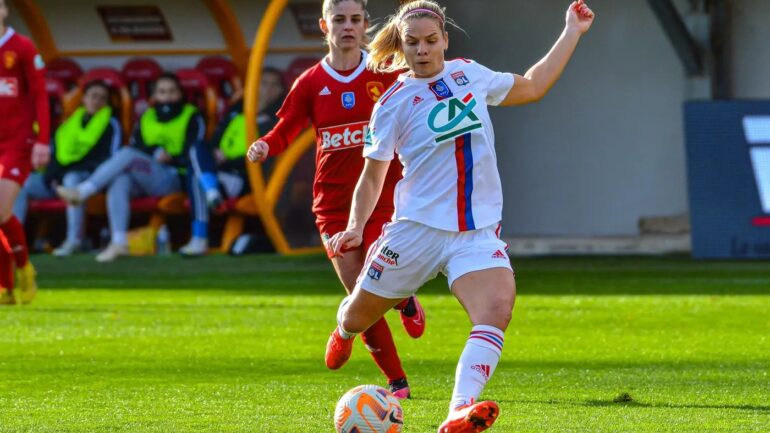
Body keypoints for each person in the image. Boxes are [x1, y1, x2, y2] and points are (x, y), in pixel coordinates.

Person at [325, 1, 594, 431]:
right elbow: (372, 177)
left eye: (431, 41)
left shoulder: (469, 73)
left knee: (497, 309)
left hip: (476, 232)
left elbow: (532, 86)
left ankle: (458, 411)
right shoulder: (392, 103)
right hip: (415, 232)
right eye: (412, 43)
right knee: (360, 314)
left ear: (445, 40)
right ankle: (344, 329)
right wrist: (355, 228)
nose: (423, 50)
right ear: (402, 46)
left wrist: (572, 31)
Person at [247, 0, 427, 399]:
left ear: (365, 25)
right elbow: (286, 128)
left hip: (383, 196)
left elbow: (420, 105)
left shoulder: (387, 73)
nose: (347, 26)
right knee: (359, 295)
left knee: (378, 277)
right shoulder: (311, 82)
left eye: (355, 19)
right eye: (339, 19)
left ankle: (402, 299)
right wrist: (265, 145)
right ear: (324, 25)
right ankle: (397, 382)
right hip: (331, 206)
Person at [56, 73, 207, 262]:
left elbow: (197, 152)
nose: (167, 97)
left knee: (127, 153)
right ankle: (119, 242)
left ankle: (83, 191)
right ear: (154, 97)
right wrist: (153, 152)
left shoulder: (192, 116)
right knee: (121, 179)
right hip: (147, 175)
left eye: (172, 92)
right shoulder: (147, 116)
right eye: (162, 92)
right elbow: (139, 146)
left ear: (180, 94)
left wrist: (172, 158)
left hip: (175, 176)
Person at [183, 67, 286, 256]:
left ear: (281, 91)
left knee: (194, 175)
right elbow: (213, 142)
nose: (268, 89)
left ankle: (200, 237)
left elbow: (267, 156)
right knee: (197, 147)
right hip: (218, 172)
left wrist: (228, 160)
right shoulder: (236, 111)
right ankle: (211, 191)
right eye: (264, 83)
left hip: (244, 176)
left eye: (274, 85)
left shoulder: (278, 118)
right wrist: (215, 155)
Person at [14, 80, 121, 256]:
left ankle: (74, 241)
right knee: (22, 183)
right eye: (93, 96)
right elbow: (54, 155)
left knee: (72, 179)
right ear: (84, 99)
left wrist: (66, 175)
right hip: (58, 179)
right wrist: (54, 178)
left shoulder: (111, 124)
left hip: (88, 180)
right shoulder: (67, 124)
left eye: (103, 98)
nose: (97, 101)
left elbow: (108, 159)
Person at [0, 0, 50, 305]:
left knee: (0, 210)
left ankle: (24, 268)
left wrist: (42, 140)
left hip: (17, 141)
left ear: (4, 10)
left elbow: (41, 94)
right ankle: (5, 286)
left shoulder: (22, 46)